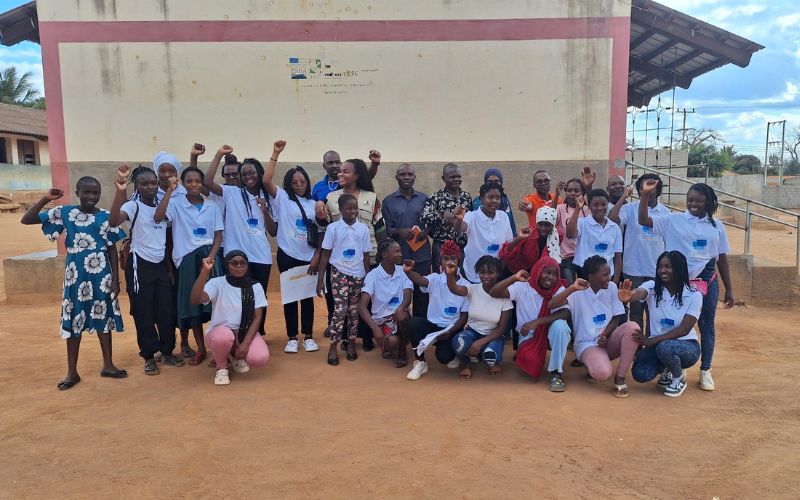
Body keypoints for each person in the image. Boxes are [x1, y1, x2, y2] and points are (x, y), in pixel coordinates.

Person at [20, 179, 126, 390]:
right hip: (75, 276)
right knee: (74, 318)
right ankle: (72, 371)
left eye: (95, 192)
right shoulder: (65, 213)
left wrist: (114, 279)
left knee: (103, 317)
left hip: (102, 274)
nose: (91, 197)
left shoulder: (105, 216)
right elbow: (27, 219)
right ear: (77, 192)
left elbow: (112, 248)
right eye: (86, 192)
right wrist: (45, 199)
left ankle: (108, 364)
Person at [638, 179, 734, 391]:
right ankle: (665, 364)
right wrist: (645, 195)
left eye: (699, 201)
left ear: (709, 203)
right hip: (674, 283)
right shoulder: (672, 220)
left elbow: (722, 259)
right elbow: (644, 219)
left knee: (706, 326)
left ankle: (705, 370)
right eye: (690, 200)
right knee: (660, 320)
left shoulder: (717, 227)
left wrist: (729, 288)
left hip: (705, 282)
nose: (693, 204)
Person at [109, 165, 184, 375]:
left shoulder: (164, 204)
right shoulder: (133, 206)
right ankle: (149, 355)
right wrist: (120, 191)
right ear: (137, 186)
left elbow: (159, 218)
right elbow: (114, 221)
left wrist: (168, 192)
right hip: (138, 264)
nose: (150, 187)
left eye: (152, 183)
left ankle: (167, 351)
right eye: (144, 183)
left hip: (160, 265)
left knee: (166, 310)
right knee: (143, 312)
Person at [154, 167, 223, 366]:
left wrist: (211, 258)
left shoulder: (211, 206)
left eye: (198, 181)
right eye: (190, 181)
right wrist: (169, 190)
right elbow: (158, 217)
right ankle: (201, 349)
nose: (194, 185)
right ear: (183, 184)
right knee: (193, 306)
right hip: (186, 259)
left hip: (209, 257)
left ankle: (220, 348)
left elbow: (218, 235)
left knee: (216, 304)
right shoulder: (175, 203)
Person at [204, 145, 276, 336]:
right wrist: (218, 154)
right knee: (237, 296)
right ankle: (237, 333)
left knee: (259, 297)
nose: (247, 177)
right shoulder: (231, 193)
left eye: (251, 172)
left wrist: (265, 210)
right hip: (237, 256)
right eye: (244, 174)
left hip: (261, 256)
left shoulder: (268, 196)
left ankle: (257, 334)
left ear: (259, 173)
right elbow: (207, 181)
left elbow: (273, 231)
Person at [315, 157, 386, 351]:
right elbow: (325, 228)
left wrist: (382, 255)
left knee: (364, 300)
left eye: (345, 171)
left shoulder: (371, 198)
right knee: (339, 303)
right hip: (340, 264)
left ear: (357, 175)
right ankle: (345, 337)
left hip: (367, 256)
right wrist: (319, 213)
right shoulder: (331, 198)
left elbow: (380, 229)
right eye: (340, 171)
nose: (340, 174)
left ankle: (366, 336)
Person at [550, 255, 640, 398]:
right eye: (605, 275)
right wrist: (571, 288)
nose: (609, 277)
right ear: (590, 277)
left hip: (607, 339)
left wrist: (605, 333)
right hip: (587, 344)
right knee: (602, 373)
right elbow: (552, 304)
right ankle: (592, 364)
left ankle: (620, 378)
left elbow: (617, 317)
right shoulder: (577, 292)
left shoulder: (611, 287)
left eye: (609, 273)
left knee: (633, 328)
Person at [261, 140, 320, 354]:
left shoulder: (313, 205)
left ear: (307, 183)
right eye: (295, 182)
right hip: (287, 255)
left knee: (306, 297)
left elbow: (321, 234)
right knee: (289, 298)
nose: (299, 185)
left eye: (302, 181)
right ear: (289, 183)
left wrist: (316, 257)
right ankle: (292, 337)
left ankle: (309, 336)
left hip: (309, 257)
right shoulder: (283, 198)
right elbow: (266, 179)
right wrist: (275, 153)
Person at [620, 251, 703, 397]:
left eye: (668, 267)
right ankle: (668, 368)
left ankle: (678, 377)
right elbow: (641, 292)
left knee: (665, 347)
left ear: (679, 268)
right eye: (660, 267)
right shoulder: (653, 287)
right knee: (640, 373)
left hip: (687, 346)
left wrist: (650, 341)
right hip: (658, 345)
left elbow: (684, 329)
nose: (662, 270)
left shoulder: (693, 295)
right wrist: (630, 295)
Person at [489, 256, 572, 391]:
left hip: (550, 332)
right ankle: (524, 351)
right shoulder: (523, 286)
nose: (550, 277)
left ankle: (556, 373)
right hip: (529, 334)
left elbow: (565, 313)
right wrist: (514, 278)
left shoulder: (558, 288)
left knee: (561, 327)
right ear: (538, 271)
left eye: (554, 274)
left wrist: (538, 322)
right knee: (529, 361)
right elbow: (494, 292)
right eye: (547, 272)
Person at [190, 251, 270, 386]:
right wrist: (205, 272)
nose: (239, 266)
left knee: (259, 358)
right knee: (224, 337)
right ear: (227, 265)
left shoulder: (255, 286)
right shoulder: (217, 283)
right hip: (220, 332)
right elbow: (195, 299)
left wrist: (245, 344)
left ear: (247, 265)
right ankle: (221, 367)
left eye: (242, 263)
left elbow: (257, 317)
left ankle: (233, 353)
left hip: (244, 332)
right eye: (234, 263)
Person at [316, 194, 372, 365]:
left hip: (358, 274)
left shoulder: (363, 229)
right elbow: (325, 254)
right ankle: (333, 345)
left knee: (354, 311)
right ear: (340, 210)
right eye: (349, 208)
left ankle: (352, 344)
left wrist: (368, 278)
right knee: (340, 310)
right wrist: (320, 279)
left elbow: (366, 255)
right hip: (339, 272)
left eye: (355, 208)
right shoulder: (333, 228)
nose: (353, 211)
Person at [608, 173, 669, 331]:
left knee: (653, 311)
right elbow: (612, 220)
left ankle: (649, 346)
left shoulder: (665, 213)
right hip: (633, 269)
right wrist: (623, 197)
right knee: (635, 312)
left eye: (650, 187)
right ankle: (636, 350)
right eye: (642, 188)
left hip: (656, 270)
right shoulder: (629, 209)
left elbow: (668, 242)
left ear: (658, 189)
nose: (646, 191)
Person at [403, 240, 470, 381]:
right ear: (440, 261)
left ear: (459, 260)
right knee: (414, 323)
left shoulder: (466, 285)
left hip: (452, 328)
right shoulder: (435, 279)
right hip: (433, 326)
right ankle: (420, 362)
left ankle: (455, 352)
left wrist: (450, 332)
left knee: (444, 358)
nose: (449, 262)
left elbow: (464, 317)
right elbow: (420, 280)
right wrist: (409, 272)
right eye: (446, 258)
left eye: (453, 258)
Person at [444, 255, 512, 380]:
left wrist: (480, 342)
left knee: (491, 356)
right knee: (458, 342)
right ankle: (466, 364)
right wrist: (449, 274)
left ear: (498, 273)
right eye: (482, 272)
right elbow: (454, 289)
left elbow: (502, 329)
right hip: (472, 332)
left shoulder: (504, 295)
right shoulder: (473, 289)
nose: (486, 276)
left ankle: (492, 359)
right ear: (478, 273)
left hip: (493, 335)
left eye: (490, 273)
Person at [381, 163, 432, 317]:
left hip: (422, 255)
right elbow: (386, 230)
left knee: (422, 294)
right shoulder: (388, 201)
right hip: (399, 256)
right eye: (402, 174)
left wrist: (426, 231)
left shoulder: (424, 198)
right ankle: (401, 330)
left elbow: (432, 224)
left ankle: (419, 330)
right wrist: (400, 231)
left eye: (410, 174)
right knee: (400, 295)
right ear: (396, 177)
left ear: (414, 177)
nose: (406, 177)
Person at [358, 240, 412, 368]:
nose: (400, 254)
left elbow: (408, 296)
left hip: (400, 315)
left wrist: (401, 308)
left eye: (400, 251)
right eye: (396, 251)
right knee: (393, 342)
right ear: (384, 254)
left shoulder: (403, 271)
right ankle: (391, 344)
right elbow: (362, 307)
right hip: (382, 320)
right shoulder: (373, 276)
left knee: (402, 316)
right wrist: (375, 328)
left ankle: (402, 352)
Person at [454, 181, 513, 284]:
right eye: (490, 197)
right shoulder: (472, 216)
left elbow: (508, 244)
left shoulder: (503, 217)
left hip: (494, 274)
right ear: (481, 199)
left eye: (498, 198)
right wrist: (459, 219)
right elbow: (461, 228)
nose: (495, 201)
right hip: (473, 273)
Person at [419, 163, 473, 272]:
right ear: (444, 179)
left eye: (458, 176)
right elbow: (424, 216)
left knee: (462, 279)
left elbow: (472, 218)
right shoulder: (436, 197)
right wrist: (441, 214)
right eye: (452, 177)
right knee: (441, 281)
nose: (456, 179)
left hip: (462, 246)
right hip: (442, 247)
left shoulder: (466, 197)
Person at [566, 189, 623, 283]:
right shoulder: (582, 223)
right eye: (595, 205)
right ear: (589, 206)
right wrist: (577, 209)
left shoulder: (614, 227)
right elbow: (570, 234)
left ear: (608, 205)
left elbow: (618, 257)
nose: (600, 208)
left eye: (603, 204)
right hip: (585, 275)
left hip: (607, 277)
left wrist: (615, 281)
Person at [499, 205, 562, 275]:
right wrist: (519, 238)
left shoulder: (557, 237)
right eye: (540, 224)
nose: (543, 228)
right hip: (515, 272)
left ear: (553, 225)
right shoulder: (529, 233)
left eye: (547, 225)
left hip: (537, 275)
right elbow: (504, 254)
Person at [555, 178, 589, 284]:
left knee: (585, 289)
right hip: (565, 257)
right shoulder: (560, 208)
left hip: (584, 256)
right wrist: (556, 194)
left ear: (582, 193)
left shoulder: (588, 211)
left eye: (576, 191)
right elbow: (550, 217)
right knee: (570, 289)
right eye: (569, 190)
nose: (572, 193)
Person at [311, 149, 381, 202]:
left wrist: (374, 164)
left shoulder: (349, 181)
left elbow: (366, 176)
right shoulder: (318, 187)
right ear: (324, 166)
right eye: (330, 163)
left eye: (337, 162)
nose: (335, 165)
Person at [472, 168, 517, 235]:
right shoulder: (477, 201)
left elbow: (510, 221)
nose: (493, 183)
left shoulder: (505, 200)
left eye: (496, 181)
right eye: (489, 181)